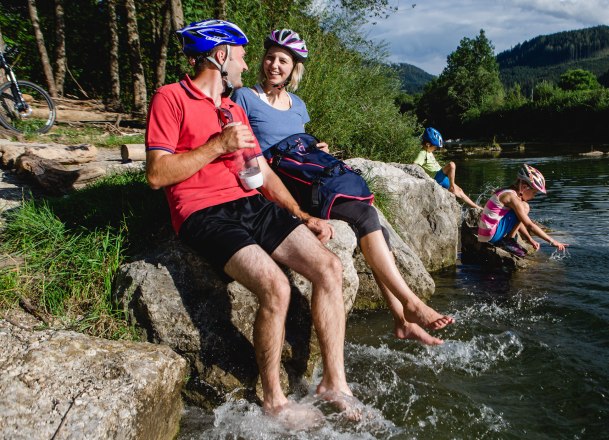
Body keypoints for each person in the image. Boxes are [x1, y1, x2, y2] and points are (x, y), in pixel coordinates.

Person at [145, 19, 356, 423]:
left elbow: (261, 170)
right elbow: (157, 174)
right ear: (220, 56)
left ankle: (334, 381)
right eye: (240, 57)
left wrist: (300, 213)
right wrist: (217, 145)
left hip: (249, 204)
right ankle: (275, 402)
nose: (246, 66)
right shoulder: (169, 98)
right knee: (276, 287)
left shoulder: (231, 106)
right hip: (202, 212)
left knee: (329, 267)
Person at [233, 29, 453, 346]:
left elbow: (297, 142)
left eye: (283, 60)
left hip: (307, 175)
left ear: (294, 68)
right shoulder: (245, 98)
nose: (274, 65)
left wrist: (314, 145)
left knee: (376, 228)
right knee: (366, 217)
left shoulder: (298, 104)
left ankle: (402, 321)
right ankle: (410, 305)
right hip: (284, 184)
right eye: (270, 57)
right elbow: (247, 148)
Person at [477, 164, 568, 255]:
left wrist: (530, 239)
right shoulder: (512, 197)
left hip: (485, 235)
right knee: (525, 206)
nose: (533, 196)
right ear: (524, 187)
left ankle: (509, 239)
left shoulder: (508, 192)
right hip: (491, 236)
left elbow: (518, 219)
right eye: (534, 193)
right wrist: (552, 241)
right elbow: (529, 225)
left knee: (523, 207)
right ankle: (509, 240)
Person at [413, 127, 481, 209]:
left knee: (459, 191)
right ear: (428, 144)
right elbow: (414, 165)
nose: (435, 149)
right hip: (437, 177)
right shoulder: (422, 153)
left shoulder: (429, 152)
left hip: (442, 177)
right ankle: (452, 187)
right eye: (435, 147)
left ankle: (477, 207)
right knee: (451, 165)